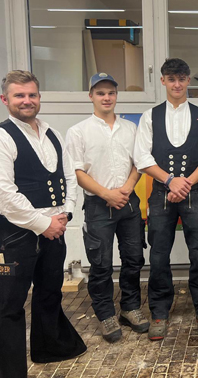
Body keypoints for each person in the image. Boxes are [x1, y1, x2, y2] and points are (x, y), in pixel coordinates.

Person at [0, 70, 86, 377]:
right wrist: (42, 223)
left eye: (32, 95)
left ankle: (51, 347)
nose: (27, 101)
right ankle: (7, 372)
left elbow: (68, 177)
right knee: (9, 304)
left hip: (55, 226)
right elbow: (4, 194)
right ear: (5, 99)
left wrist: (66, 214)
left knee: (50, 291)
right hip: (13, 233)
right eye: (19, 95)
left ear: (39, 97)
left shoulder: (52, 134)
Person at [134, 58, 198, 339]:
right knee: (158, 255)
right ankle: (159, 312)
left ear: (188, 80)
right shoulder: (150, 116)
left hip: (195, 193)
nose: (177, 84)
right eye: (171, 79)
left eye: (182, 78)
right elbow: (142, 158)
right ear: (163, 81)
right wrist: (171, 180)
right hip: (161, 194)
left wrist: (186, 183)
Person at [65, 73, 148, 343]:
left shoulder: (130, 128)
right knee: (101, 264)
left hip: (129, 203)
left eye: (111, 92)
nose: (106, 97)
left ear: (116, 95)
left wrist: (127, 187)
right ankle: (105, 315)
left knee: (133, 259)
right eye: (100, 93)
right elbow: (76, 171)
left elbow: (139, 162)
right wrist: (106, 194)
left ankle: (130, 308)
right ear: (91, 96)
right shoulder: (78, 131)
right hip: (98, 206)